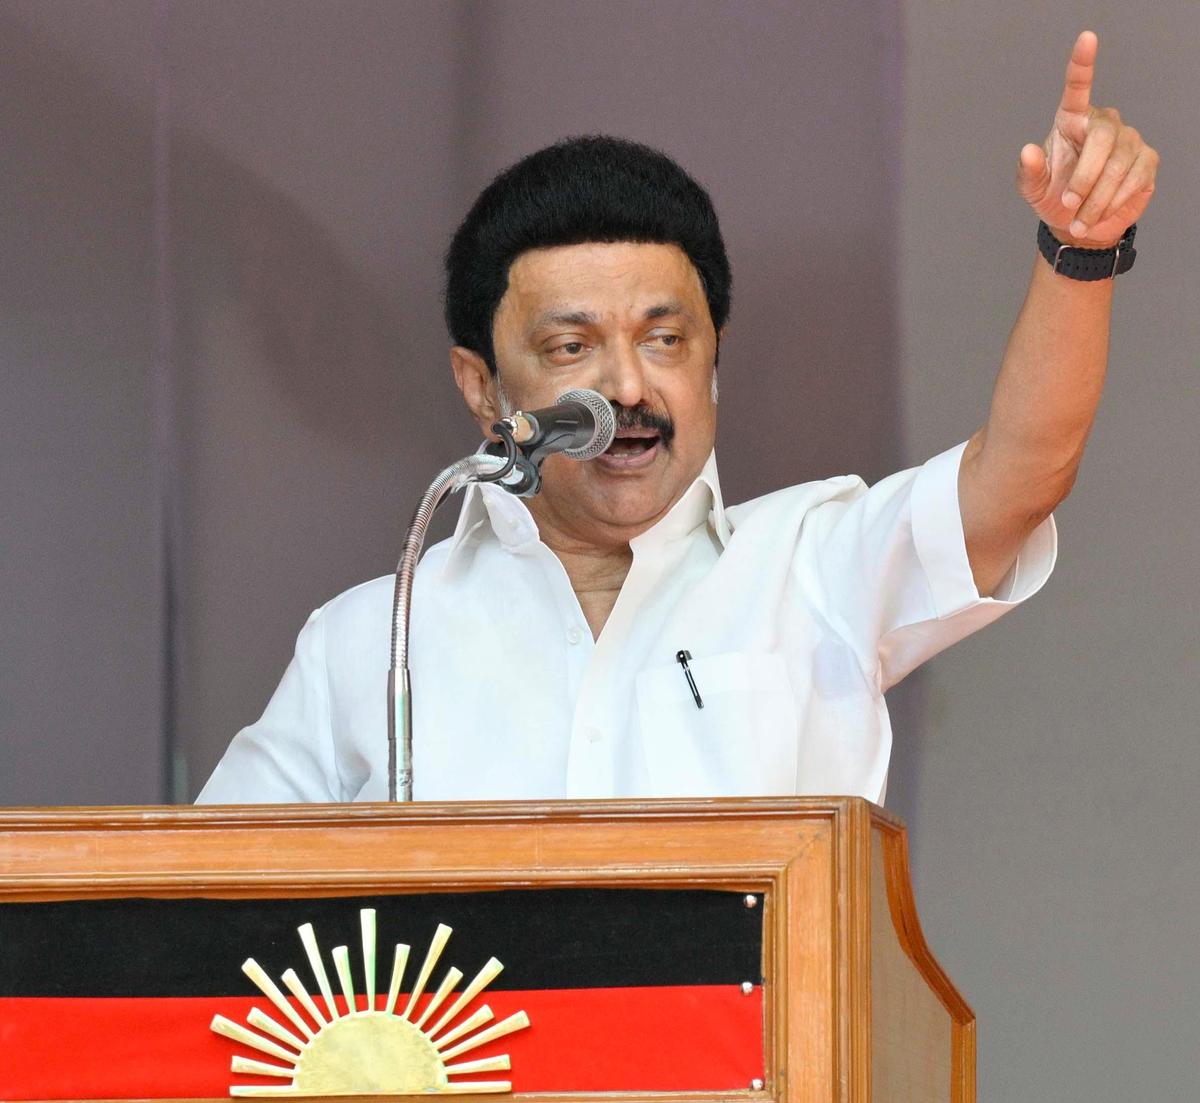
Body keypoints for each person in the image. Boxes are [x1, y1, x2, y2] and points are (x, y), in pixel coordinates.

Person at [198, 31, 1157, 806]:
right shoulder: (373, 639)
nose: (626, 388)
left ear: (713, 355)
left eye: (664, 339)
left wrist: (1079, 253)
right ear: (482, 388)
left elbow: (1020, 475)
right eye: (571, 346)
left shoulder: (811, 565)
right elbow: (199, 900)